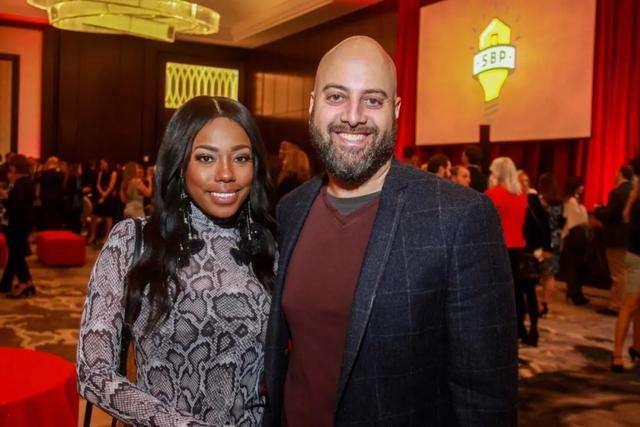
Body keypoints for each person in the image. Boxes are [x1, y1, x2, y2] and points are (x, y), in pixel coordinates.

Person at [264, 36, 517, 426]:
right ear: (313, 105)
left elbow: (485, 399)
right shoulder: (290, 210)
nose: (353, 116)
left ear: (395, 110)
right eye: (336, 96)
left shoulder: (458, 217)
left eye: (372, 100)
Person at [77, 96, 277, 425]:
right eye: (206, 158)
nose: (226, 173)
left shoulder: (271, 246)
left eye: (240, 157)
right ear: (180, 164)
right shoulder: (133, 241)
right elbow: (93, 374)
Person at [485, 157, 536, 345]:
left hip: (499, 247)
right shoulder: (521, 195)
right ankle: (518, 327)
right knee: (517, 291)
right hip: (518, 247)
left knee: (498, 291)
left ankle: (500, 328)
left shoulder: (493, 194)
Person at [594, 165, 634, 313]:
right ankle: (624, 303)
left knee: (618, 273)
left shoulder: (618, 192)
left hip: (616, 238)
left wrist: (598, 209)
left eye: (616, 172)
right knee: (626, 272)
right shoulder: (633, 191)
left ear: (620, 174)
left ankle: (616, 305)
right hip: (630, 238)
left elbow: (610, 214)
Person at [612, 174, 640, 371]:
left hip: (635, 255)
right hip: (638, 259)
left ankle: (636, 347)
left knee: (635, 306)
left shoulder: (635, 200)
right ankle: (616, 355)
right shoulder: (638, 203)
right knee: (629, 306)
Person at [0, 155, 36, 298]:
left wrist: (5, 197)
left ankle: (25, 283)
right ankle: (9, 283)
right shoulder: (26, 182)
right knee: (16, 254)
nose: (9, 173)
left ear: (15, 168)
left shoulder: (21, 185)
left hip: (17, 225)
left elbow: (17, 207)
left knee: (16, 255)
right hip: (22, 224)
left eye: (10, 169)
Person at [560, 176, 590, 304]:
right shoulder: (571, 200)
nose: (582, 188)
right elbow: (579, 219)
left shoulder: (574, 200)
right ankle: (573, 294)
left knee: (577, 266)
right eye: (580, 185)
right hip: (574, 235)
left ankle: (576, 293)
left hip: (576, 235)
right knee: (574, 266)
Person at [86, 158, 118, 244]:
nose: (102, 165)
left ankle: (107, 236)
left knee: (108, 217)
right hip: (100, 195)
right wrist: (102, 194)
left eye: (103, 163)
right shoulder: (100, 173)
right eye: (101, 163)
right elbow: (97, 184)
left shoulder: (113, 173)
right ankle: (92, 235)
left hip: (109, 197)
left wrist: (104, 196)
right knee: (94, 215)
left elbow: (111, 186)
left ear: (108, 163)